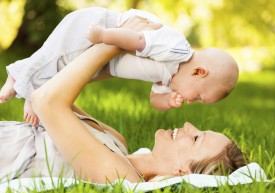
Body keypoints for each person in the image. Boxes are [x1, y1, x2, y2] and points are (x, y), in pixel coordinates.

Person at [0, 41, 247, 184]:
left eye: (196, 138)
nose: (189, 125)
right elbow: (55, 92)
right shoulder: (118, 143)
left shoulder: (122, 177)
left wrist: (109, 46)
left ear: (183, 171)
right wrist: (125, 62)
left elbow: (47, 102)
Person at [0, 7, 239, 127]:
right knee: (58, 57)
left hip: (105, 58)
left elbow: (155, 100)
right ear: (199, 72)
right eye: (197, 96)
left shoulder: (171, 78)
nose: (190, 100)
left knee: (64, 72)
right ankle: (20, 81)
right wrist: (105, 35)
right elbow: (137, 38)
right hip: (103, 30)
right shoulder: (177, 49)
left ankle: (27, 87)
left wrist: (168, 102)